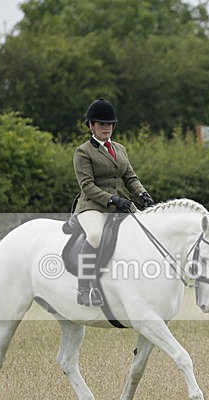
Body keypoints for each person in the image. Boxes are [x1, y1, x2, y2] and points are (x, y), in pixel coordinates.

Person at [73, 97, 155, 306]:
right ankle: (84, 290)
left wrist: (143, 195)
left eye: (109, 124)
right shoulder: (83, 152)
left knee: (145, 231)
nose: (106, 128)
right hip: (92, 206)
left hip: (121, 204)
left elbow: (130, 177)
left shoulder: (120, 149)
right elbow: (87, 186)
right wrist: (112, 200)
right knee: (94, 235)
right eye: (101, 124)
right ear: (91, 125)